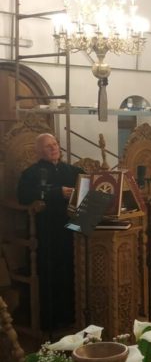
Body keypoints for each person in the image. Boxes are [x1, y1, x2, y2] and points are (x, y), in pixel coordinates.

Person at [17, 133, 85, 331]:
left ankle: (74, 316)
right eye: (48, 146)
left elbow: (89, 186)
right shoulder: (31, 173)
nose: (54, 148)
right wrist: (57, 192)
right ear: (39, 152)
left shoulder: (73, 170)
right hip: (47, 232)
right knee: (52, 272)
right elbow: (23, 196)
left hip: (73, 229)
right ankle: (51, 321)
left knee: (75, 269)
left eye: (55, 144)